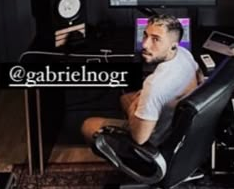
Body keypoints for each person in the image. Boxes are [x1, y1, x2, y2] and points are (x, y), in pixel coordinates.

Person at [81, 14, 201, 147]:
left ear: (172, 46)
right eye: (145, 35)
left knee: (88, 125)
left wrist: (135, 107)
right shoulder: (184, 53)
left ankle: (121, 156)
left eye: (156, 39)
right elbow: (199, 76)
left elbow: (140, 139)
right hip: (178, 124)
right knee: (124, 98)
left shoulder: (154, 85)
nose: (144, 44)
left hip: (154, 142)